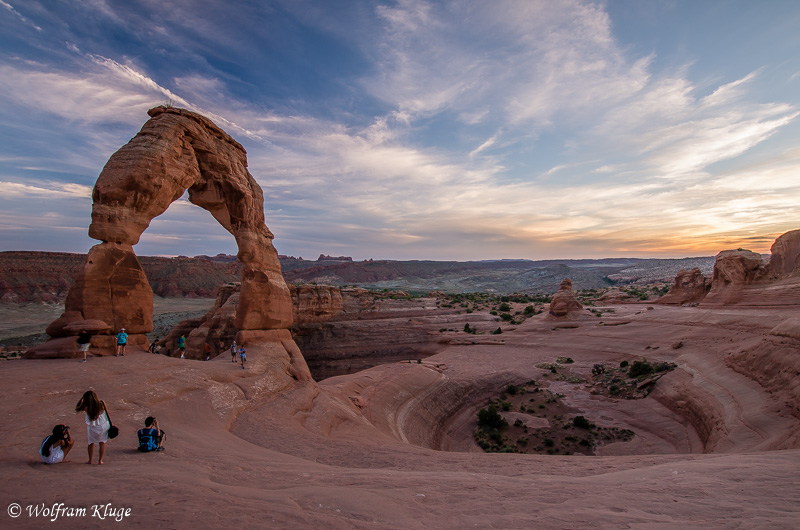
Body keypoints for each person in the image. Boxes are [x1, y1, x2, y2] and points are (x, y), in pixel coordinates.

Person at [75, 390, 110, 465]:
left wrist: (81, 399)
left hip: (92, 427)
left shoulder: (86, 407)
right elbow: (107, 413)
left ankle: (90, 460)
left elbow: (78, 407)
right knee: (102, 443)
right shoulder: (102, 404)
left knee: (91, 443)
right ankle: (100, 460)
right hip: (103, 425)